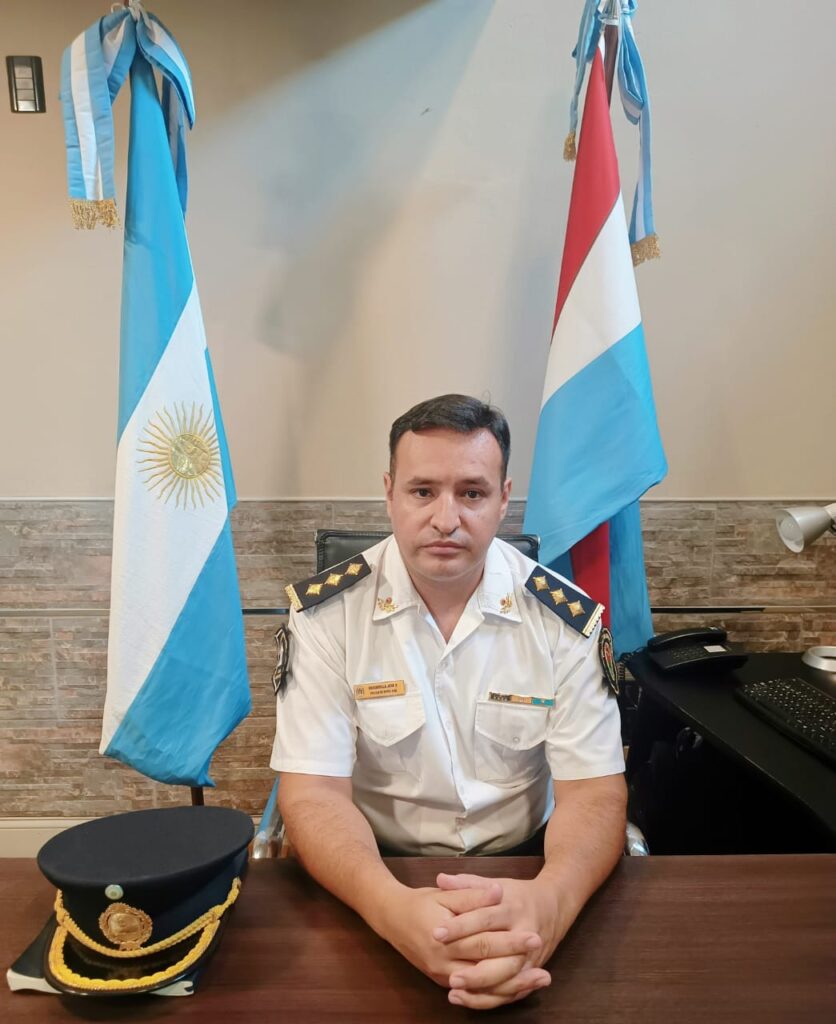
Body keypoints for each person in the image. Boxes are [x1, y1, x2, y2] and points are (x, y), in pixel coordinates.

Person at [271, 394, 626, 1010]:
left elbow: (593, 793)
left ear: (503, 499)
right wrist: (392, 911)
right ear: (389, 493)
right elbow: (313, 795)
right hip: (376, 868)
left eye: (471, 493)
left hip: (530, 865)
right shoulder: (327, 616)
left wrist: (550, 905)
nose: (445, 519)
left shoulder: (565, 620)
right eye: (422, 491)